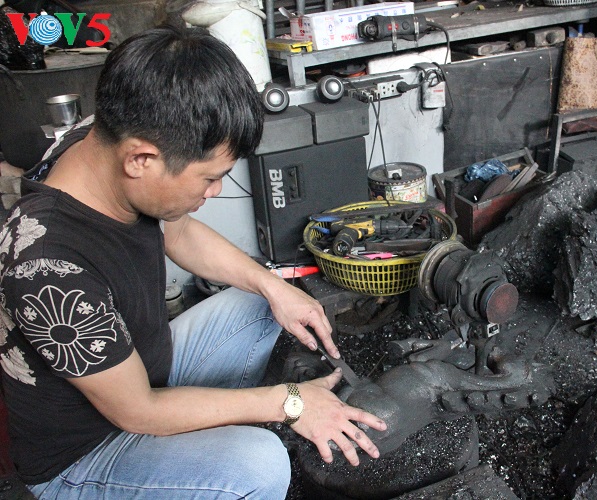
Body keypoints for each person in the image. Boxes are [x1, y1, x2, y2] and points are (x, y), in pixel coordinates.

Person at [0, 24, 386, 499]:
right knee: (258, 466)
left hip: (144, 370)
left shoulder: (104, 139)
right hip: (90, 450)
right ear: (141, 160)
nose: (216, 190)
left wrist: (274, 287)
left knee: (260, 301)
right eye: (209, 177)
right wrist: (289, 403)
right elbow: (138, 411)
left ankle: (209, 444)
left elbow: (177, 231)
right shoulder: (47, 268)